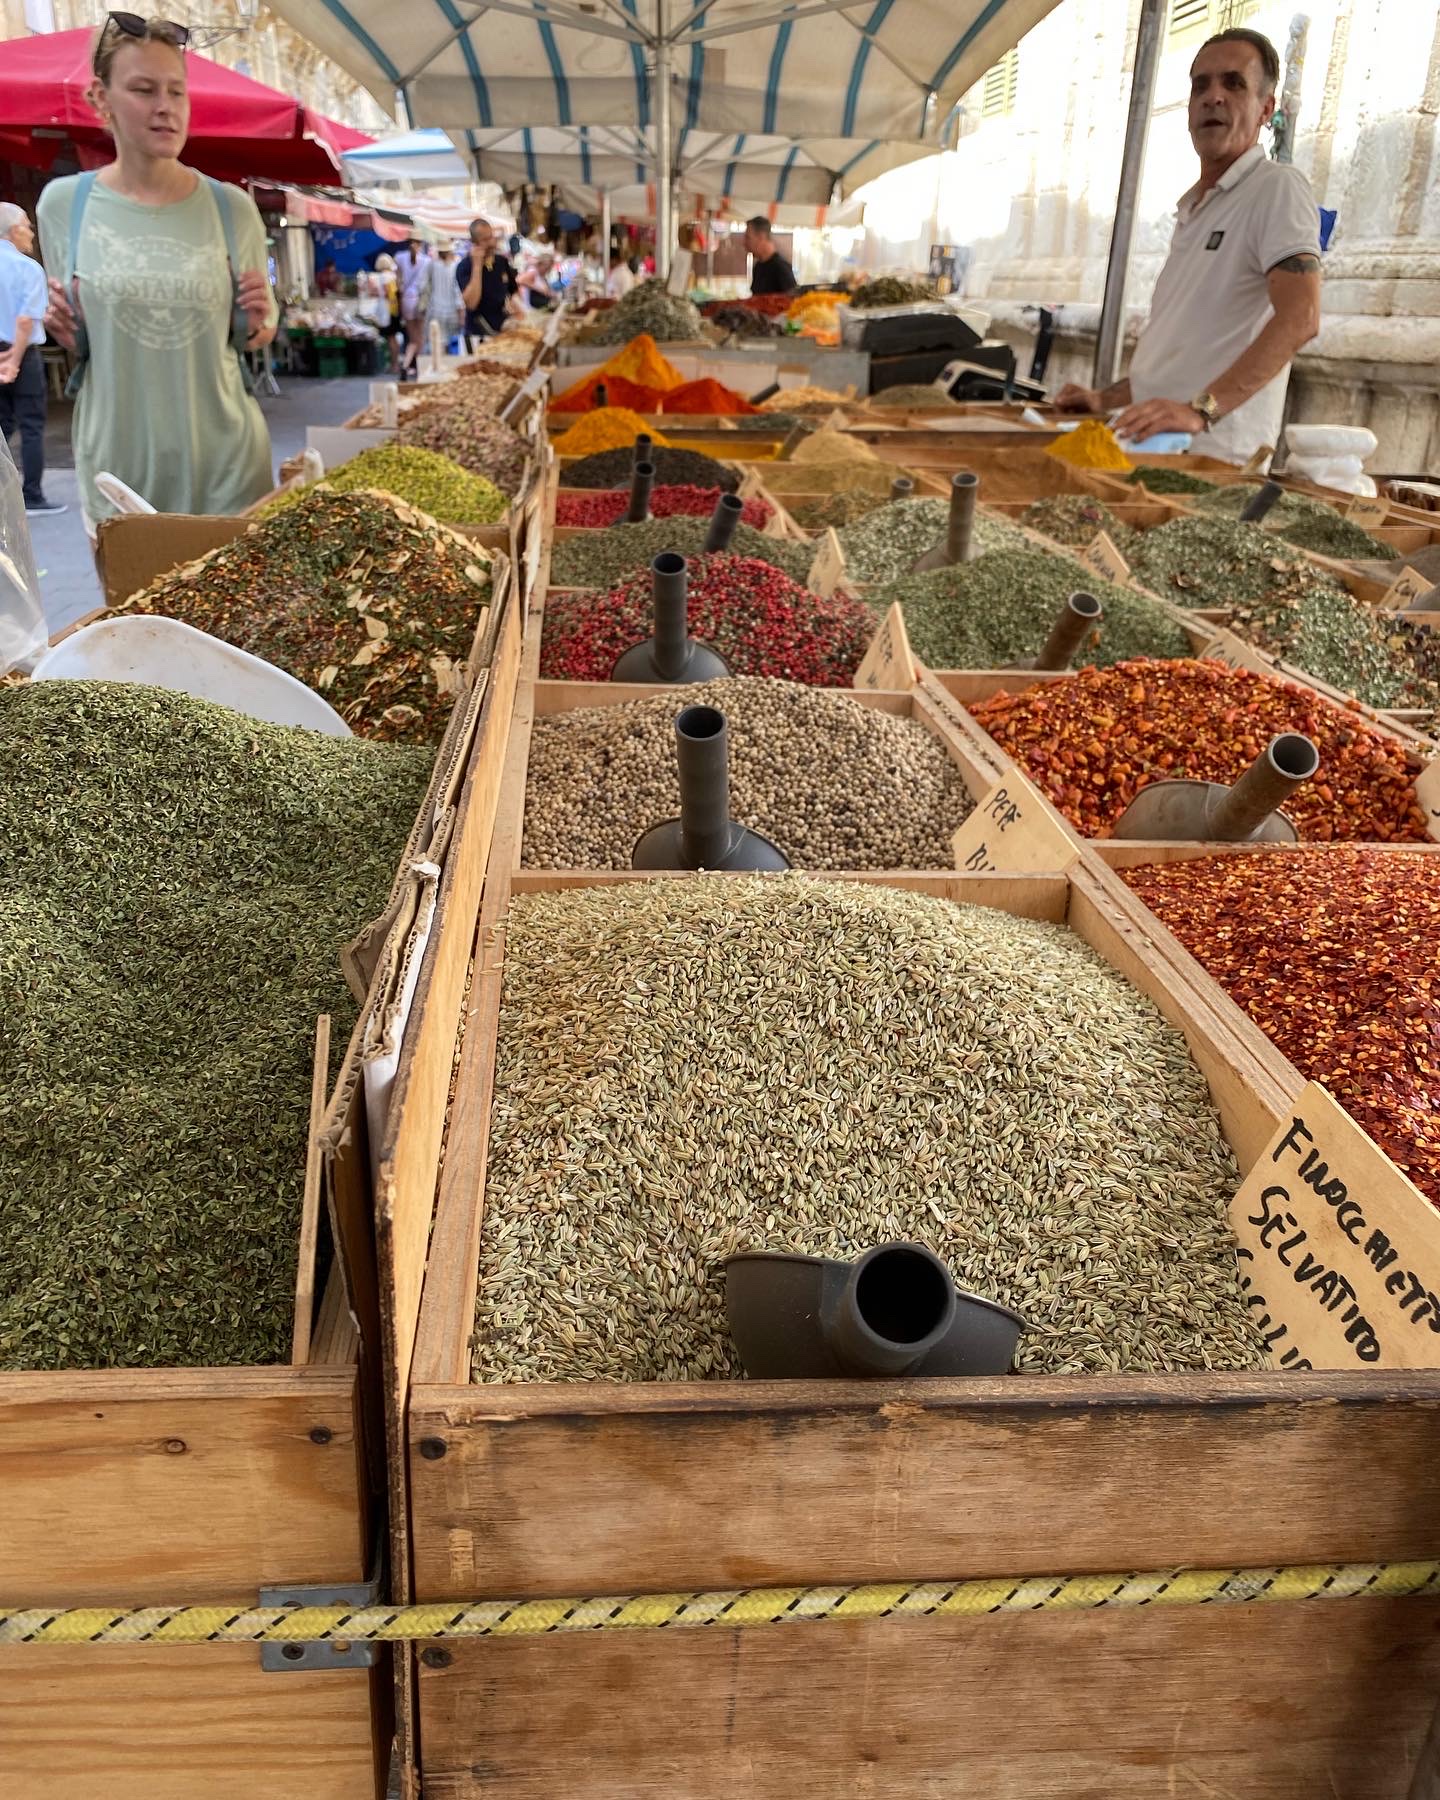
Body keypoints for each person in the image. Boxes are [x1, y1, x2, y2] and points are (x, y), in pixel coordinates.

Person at [37, 14, 275, 531]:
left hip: (228, 471)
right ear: (101, 97)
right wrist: (65, 330)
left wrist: (257, 322)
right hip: (119, 476)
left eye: (177, 91)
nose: (165, 108)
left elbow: (259, 332)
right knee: (134, 612)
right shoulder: (63, 205)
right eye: (144, 90)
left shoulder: (232, 209)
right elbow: (83, 340)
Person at [1054, 27, 1321, 467]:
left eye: (1233, 83)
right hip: (1145, 446)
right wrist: (1104, 398)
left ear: (1265, 109)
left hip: (1206, 461)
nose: (1213, 96)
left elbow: (1301, 318)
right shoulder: (1194, 209)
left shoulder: (1276, 188)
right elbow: (1178, 359)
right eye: (1201, 84)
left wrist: (1201, 411)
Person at [0, 203, 62, 517]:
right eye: (27, 225)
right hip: (20, 350)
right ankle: (32, 494)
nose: (32, 233)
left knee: (3, 423)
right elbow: (25, 320)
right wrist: (14, 360)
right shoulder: (27, 268)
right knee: (32, 424)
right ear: (13, 231)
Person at [457, 218, 521, 345]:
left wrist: (515, 307)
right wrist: (477, 266)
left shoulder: (501, 261)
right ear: (474, 242)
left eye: (491, 237)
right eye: (485, 240)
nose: (492, 243)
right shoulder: (465, 266)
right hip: (478, 335)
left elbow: (513, 291)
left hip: (503, 330)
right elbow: (471, 303)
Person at [393, 236, 431, 379]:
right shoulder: (426, 260)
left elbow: (398, 282)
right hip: (420, 300)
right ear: (420, 244)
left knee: (412, 337)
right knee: (419, 337)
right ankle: (417, 366)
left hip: (406, 300)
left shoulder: (399, 257)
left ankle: (407, 365)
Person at [744, 216, 797, 298]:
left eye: (748, 238)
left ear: (761, 237)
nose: (744, 243)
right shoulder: (758, 267)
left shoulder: (781, 268)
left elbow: (793, 301)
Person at [423, 245, 462, 354]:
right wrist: (461, 311)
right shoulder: (455, 266)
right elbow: (457, 291)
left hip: (436, 309)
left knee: (438, 342)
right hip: (452, 311)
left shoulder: (432, 265)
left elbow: (423, 286)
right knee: (452, 343)